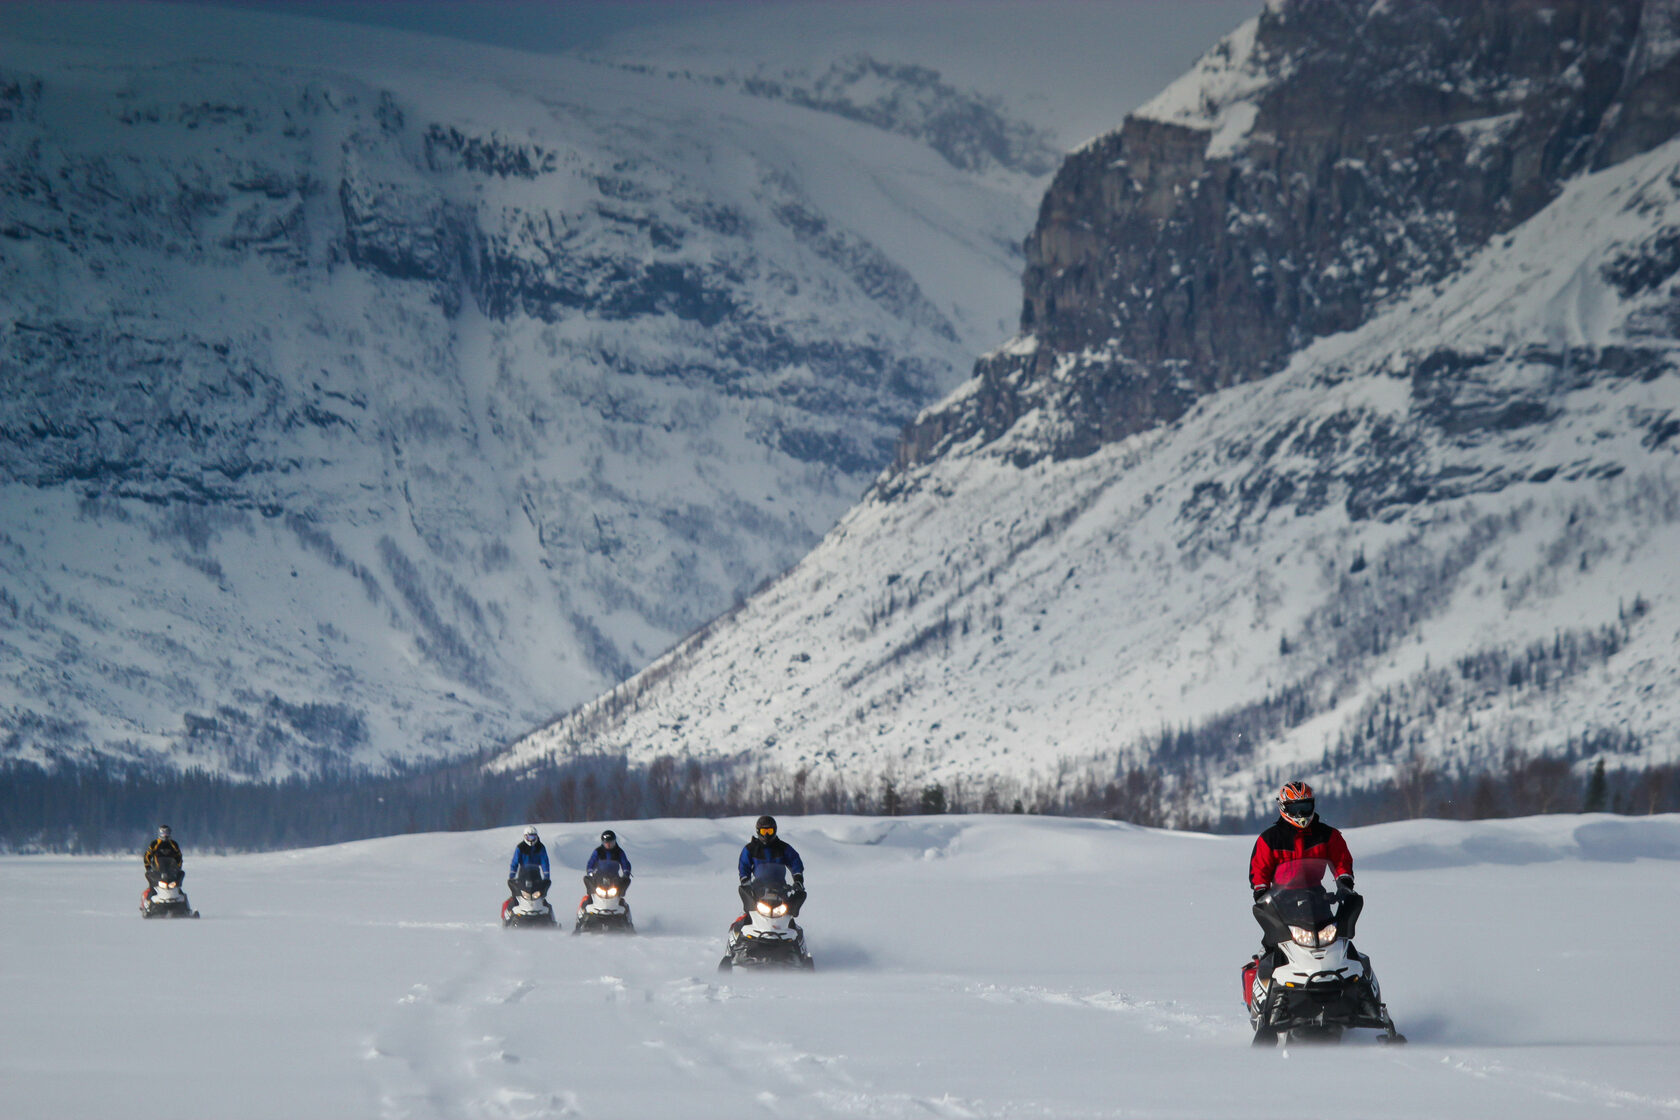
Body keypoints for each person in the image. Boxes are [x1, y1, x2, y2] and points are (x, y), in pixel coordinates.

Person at [1247, 781, 1362, 958]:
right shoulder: (1270, 839)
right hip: (1281, 901)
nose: (1300, 814)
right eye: (1295, 809)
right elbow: (1259, 868)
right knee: (1271, 946)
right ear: (1284, 808)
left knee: (1339, 939)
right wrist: (1261, 891)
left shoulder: (1327, 835)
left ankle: (1353, 976)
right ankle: (1263, 976)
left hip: (1316, 897)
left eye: (1305, 807)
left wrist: (1344, 881)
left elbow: (1341, 859)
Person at [733, 815, 804, 931]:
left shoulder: (783, 848)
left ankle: (794, 938)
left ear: (774, 831)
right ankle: (739, 938)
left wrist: (798, 879)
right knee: (749, 914)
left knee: (789, 916)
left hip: (780, 888)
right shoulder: (751, 849)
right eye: (764, 831)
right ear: (758, 831)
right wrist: (745, 880)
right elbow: (744, 865)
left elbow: (795, 861)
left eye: (769, 831)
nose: (766, 834)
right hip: (758, 889)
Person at [582, 829, 632, 906]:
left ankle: (621, 908)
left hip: (614, 878)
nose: (608, 845)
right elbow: (591, 862)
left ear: (614, 842)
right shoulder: (598, 851)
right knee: (587, 881)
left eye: (611, 843)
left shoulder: (619, 852)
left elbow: (625, 863)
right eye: (606, 843)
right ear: (603, 842)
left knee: (625, 883)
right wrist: (590, 871)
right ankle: (587, 906)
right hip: (599, 877)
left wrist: (626, 872)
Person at [507, 825, 551, 905]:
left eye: (533, 837)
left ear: (536, 837)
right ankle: (513, 910)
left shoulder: (540, 847)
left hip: (536, 875)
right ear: (525, 837)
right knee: (517, 894)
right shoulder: (520, 847)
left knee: (541, 895)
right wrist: (512, 876)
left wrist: (546, 876)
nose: (531, 839)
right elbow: (515, 862)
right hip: (523, 875)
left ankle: (544, 910)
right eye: (529, 837)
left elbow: (545, 862)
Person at [142, 825, 184, 903]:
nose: (165, 835)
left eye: (166, 832)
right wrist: (148, 867)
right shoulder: (155, 844)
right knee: (153, 887)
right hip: (157, 871)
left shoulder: (173, 844)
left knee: (178, 888)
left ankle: (185, 907)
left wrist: (178, 868)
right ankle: (148, 904)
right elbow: (147, 855)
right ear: (159, 833)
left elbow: (179, 856)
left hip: (171, 872)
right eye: (163, 832)